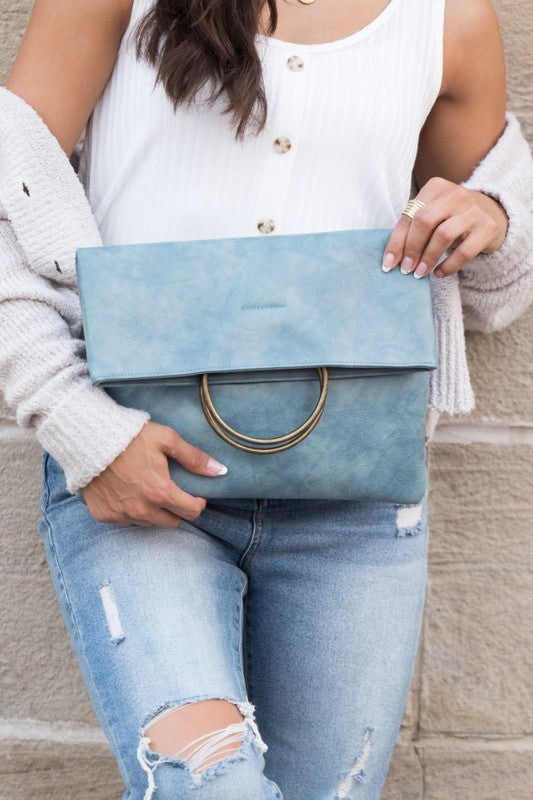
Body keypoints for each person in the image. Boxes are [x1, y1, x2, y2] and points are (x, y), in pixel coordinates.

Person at [1, 1, 532, 798]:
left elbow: (495, 296)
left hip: (353, 512)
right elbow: (7, 204)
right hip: (144, 483)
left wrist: (491, 213)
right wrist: (78, 423)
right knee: (210, 785)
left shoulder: (446, 19)